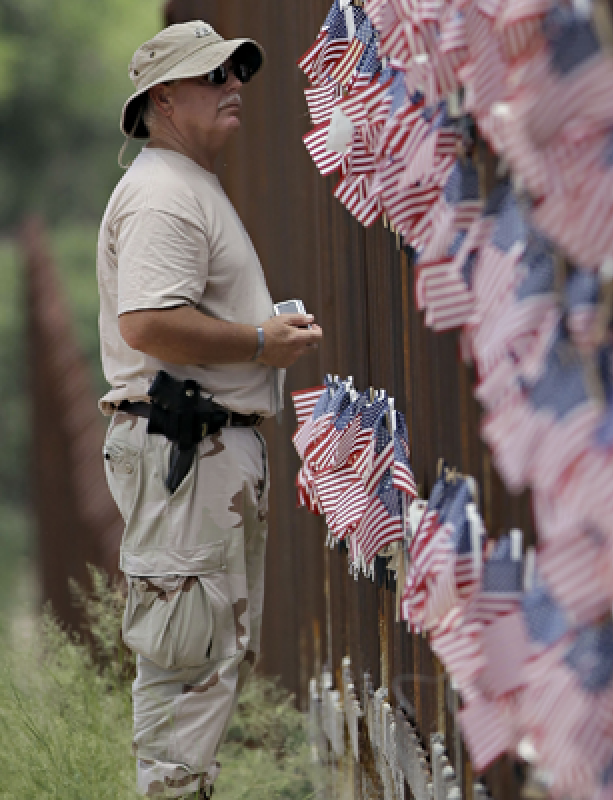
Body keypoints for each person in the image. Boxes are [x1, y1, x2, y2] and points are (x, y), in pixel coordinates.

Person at [96, 21, 323, 799]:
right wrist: (260, 342)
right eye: (213, 75)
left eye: (236, 72)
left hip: (198, 454)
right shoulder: (163, 192)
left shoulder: (182, 181)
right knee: (186, 671)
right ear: (163, 97)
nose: (234, 86)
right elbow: (148, 322)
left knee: (202, 665)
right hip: (187, 450)